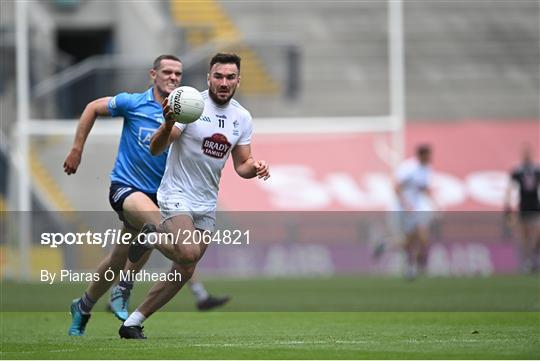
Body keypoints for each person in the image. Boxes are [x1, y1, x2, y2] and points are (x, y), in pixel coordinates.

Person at [64, 55, 229, 337]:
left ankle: (83, 305)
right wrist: (77, 148)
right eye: (167, 72)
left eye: (178, 73)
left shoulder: (188, 110)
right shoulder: (133, 103)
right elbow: (93, 107)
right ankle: (124, 288)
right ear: (154, 74)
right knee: (156, 229)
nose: (173, 77)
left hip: (161, 194)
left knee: (117, 258)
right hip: (125, 187)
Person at [118, 53, 270, 339]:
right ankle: (150, 235)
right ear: (209, 77)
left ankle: (133, 322)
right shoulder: (189, 103)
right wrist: (166, 124)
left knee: (186, 268)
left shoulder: (242, 117)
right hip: (177, 194)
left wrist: (256, 167)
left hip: (206, 201)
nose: (224, 82)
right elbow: (156, 147)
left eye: (230, 77)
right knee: (187, 252)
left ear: (238, 80)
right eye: (218, 76)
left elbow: (242, 165)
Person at [393, 144, 437, 280]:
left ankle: (414, 266)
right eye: (428, 155)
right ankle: (412, 266)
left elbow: (424, 188)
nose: (431, 157)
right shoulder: (408, 168)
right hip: (405, 208)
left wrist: (435, 202)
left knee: (421, 238)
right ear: (421, 155)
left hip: (417, 208)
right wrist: (405, 204)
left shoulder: (427, 169)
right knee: (411, 239)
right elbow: (396, 187)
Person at [504, 145, 540, 273]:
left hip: (536, 207)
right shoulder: (518, 171)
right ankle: (526, 262)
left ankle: (534, 259)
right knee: (524, 237)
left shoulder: (537, 170)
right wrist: (508, 205)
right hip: (523, 207)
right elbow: (510, 187)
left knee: (536, 236)